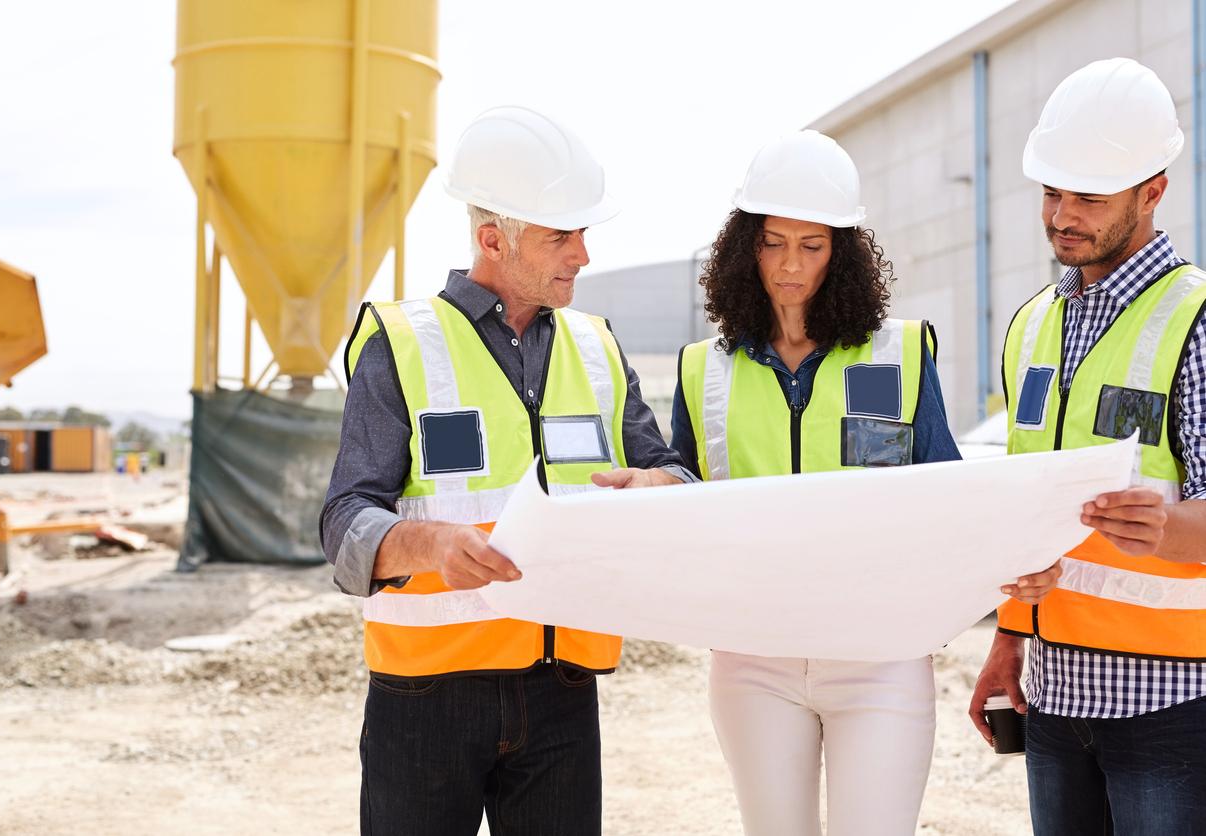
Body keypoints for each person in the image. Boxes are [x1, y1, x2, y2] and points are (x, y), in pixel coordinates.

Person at [670, 130, 1060, 836]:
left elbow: (949, 496)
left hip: (881, 660)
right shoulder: (705, 369)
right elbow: (680, 498)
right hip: (753, 662)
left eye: (811, 245)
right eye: (772, 242)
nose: (789, 265)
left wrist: (1009, 561)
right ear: (743, 246)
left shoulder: (902, 351)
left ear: (840, 252)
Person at [320, 105, 695, 836]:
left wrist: (656, 486)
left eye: (584, 234)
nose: (582, 255)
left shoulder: (597, 348)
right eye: (562, 236)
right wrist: (424, 545)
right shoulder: (400, 345)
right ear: (493, 239)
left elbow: (673, 476)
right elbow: (345, 518)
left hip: (561, 694)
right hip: (426, 697)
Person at [968, 57, 1206, 835]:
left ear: (1153, 192)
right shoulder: (1034, 323)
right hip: (1054, 695)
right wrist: (1009, 636)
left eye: (1089, 198)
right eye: (1051, 192)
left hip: (1172, 704)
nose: (1063, 214)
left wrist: (1172, 530)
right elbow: (1023, 502)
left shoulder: (1196, 321)